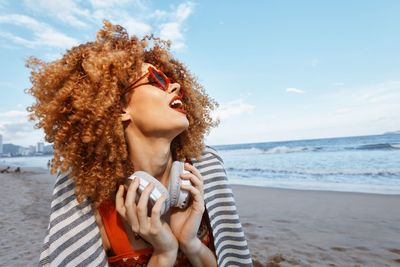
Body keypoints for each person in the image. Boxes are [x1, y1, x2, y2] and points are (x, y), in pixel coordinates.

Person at [28, 21, 252, 267]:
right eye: (156, 80)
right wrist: (164, 252)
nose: (176, 86)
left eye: (172, 81)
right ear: (119, 108)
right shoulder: (92, 204)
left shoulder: (202, 172)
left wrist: (191, 244)